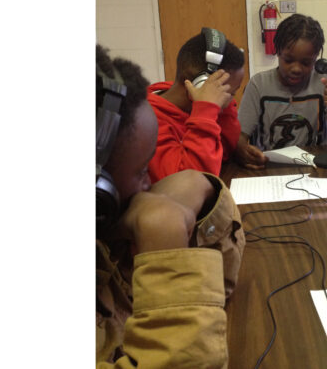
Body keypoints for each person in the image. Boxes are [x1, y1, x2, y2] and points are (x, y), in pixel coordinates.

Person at [96, 45, 245, 368]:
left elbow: (216, 293)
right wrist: (162, 235)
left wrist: (202, 191)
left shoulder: (105, 248)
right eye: (140, 172)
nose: (149, 183)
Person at [235, 14, 327, 169]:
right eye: (288, 60)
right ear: (277, 52)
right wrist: (242, 150)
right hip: (269, 168)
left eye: (306, 62)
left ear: (316, 58)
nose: (296, 69)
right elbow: (240, 137)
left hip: (317, 168)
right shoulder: (259, 85)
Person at [146, 29, 245, 182]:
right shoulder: (148, 121)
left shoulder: (203, 109)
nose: (231, 101)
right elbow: (191, 183)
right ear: (199, 85)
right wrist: (205, 111)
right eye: (229, 93)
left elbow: (223, 152)